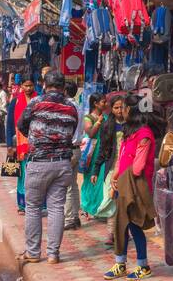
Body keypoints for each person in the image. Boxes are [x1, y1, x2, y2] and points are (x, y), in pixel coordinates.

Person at [16, 71, 82, 266]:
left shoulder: (36, 103)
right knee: (56, 208)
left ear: (44, 85)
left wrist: (37, 134)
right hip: (63, 163)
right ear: (63, 87)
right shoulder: (71, 107)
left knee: (33, 208)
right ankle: (53, 254)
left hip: (39, 162)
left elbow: (21, 125)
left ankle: (33, 252)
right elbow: (73, 129)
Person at [102, 94, 160, 280]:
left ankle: (143, 265)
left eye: (124, 108)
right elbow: (123, 157)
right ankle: (120, 263)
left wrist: (122, 177)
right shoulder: (130, 132)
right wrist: (115, 177)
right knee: (121, 226)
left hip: (136, 186)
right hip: (125, 184)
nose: (122, 111)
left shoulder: (144, 134)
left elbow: (138, 167)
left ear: (132, 111)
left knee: (134, 225)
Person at [71, 93, 112, 227]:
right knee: (91, 180)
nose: (105, 104)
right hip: (92, 153)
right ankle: (88, 207)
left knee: (102, 180)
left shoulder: (107, 116)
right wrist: (99, 122)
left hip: (104, 151)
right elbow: (90, 133)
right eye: (102, 101)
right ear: (95, 103)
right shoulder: (88, 118)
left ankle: (100, 208)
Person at [9, 79, 37, 213]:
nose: (28, 88)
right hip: (20, 144)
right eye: (26, 86)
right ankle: (23, 204)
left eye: (30, 85)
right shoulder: (15, 101)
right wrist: (10, 145)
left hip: (36, 143)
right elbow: (9, 124)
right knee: (23, 174)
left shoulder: (38, 100)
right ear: (21, 87)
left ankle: (36, 204)